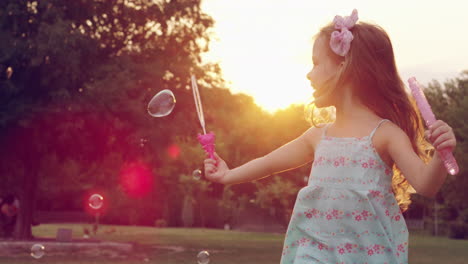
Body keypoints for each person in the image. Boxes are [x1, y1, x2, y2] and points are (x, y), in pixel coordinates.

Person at [203, 9, 457, 264]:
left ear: (344, 67)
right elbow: (269, 163)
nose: (308, 74)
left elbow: (426, 185)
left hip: (366, 256)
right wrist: (227, 175)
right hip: (314, 252)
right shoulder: (318, 136)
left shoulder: (385, 134)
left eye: (315, 63)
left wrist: (440, 155)